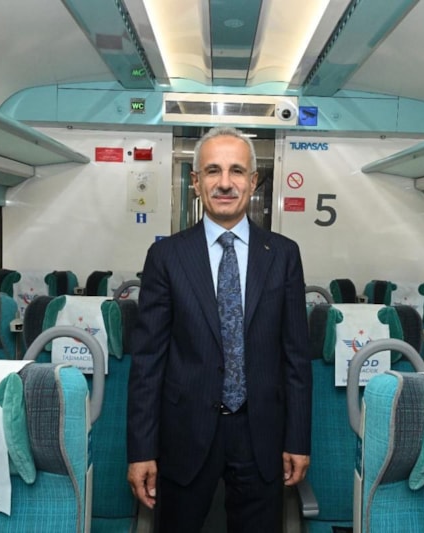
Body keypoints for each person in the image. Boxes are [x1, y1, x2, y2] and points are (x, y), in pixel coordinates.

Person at [127, 126, 312, 532]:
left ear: (253, 181)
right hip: (185, 431)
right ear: (196, 182)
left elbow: (296, 356)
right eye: (213, 171)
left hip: (261, 431)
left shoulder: (283, 255)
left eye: (236, 171)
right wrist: (141, 450)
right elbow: (148, 362)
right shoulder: (166, 256)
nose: (225, 183)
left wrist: (298, 439)